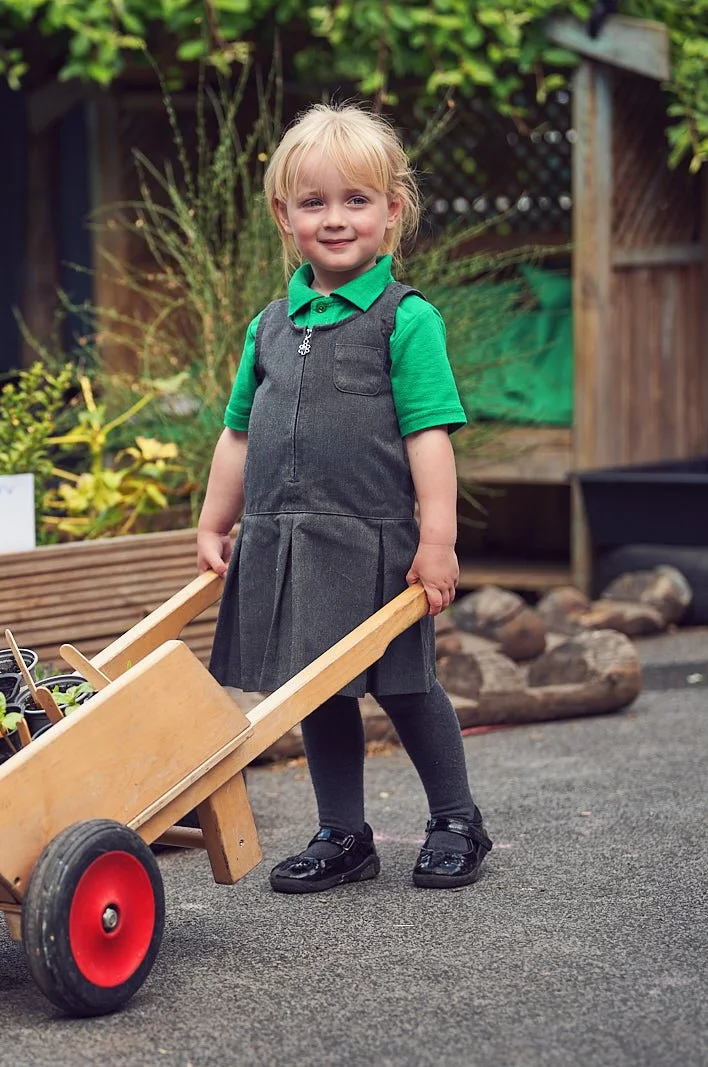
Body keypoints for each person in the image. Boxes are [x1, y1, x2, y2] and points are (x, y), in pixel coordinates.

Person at [197, 103, 492, 893]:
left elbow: (429, 436)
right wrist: (214, 519)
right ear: (284, 215)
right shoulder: (266, 327)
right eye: (314, 203)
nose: (336, 219)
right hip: (288, 541)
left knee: (405, 683)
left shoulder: (406, 319)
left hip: (376, 542)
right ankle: (343, 832)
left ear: (392, 212)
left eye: (356, 200)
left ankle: (457, 817)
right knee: (315, 686)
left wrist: (438, 540)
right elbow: (238, 435)